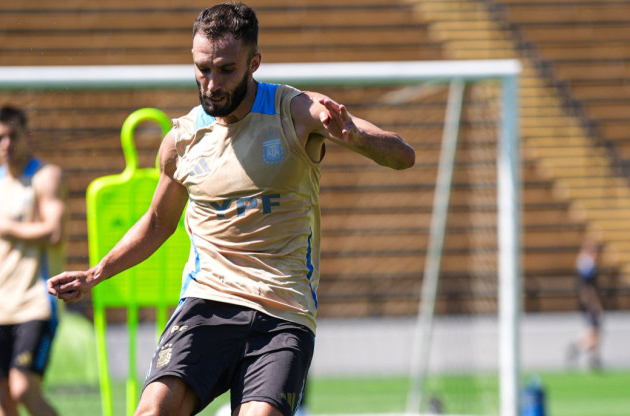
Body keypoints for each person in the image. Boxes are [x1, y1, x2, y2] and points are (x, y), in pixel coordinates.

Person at [47, 2, 415, 415]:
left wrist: (358, 138)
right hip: (207, 303)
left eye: (226, 70)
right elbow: (156, 223)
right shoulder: (181, 140)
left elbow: (403, 155)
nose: (211, 84)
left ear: (254, 63)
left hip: (283, 311)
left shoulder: (294, 112)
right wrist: (95, 274)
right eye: (203, 69)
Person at [0, 105, 67, 416]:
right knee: (5, 399)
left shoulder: (46, 178)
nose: (5, 144)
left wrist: (10, 228)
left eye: (12, 136)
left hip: (35, 302)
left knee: (23, 388)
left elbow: (54, 231)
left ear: (26, 135)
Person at [567, 239, 604, 370]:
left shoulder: (585, 264)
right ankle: (578, 348)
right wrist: (594, 304)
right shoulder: (587, 266)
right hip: (589, 304)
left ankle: (593, 357)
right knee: (595, 331)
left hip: (588, 304)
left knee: (595, 331)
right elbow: (586, 289)